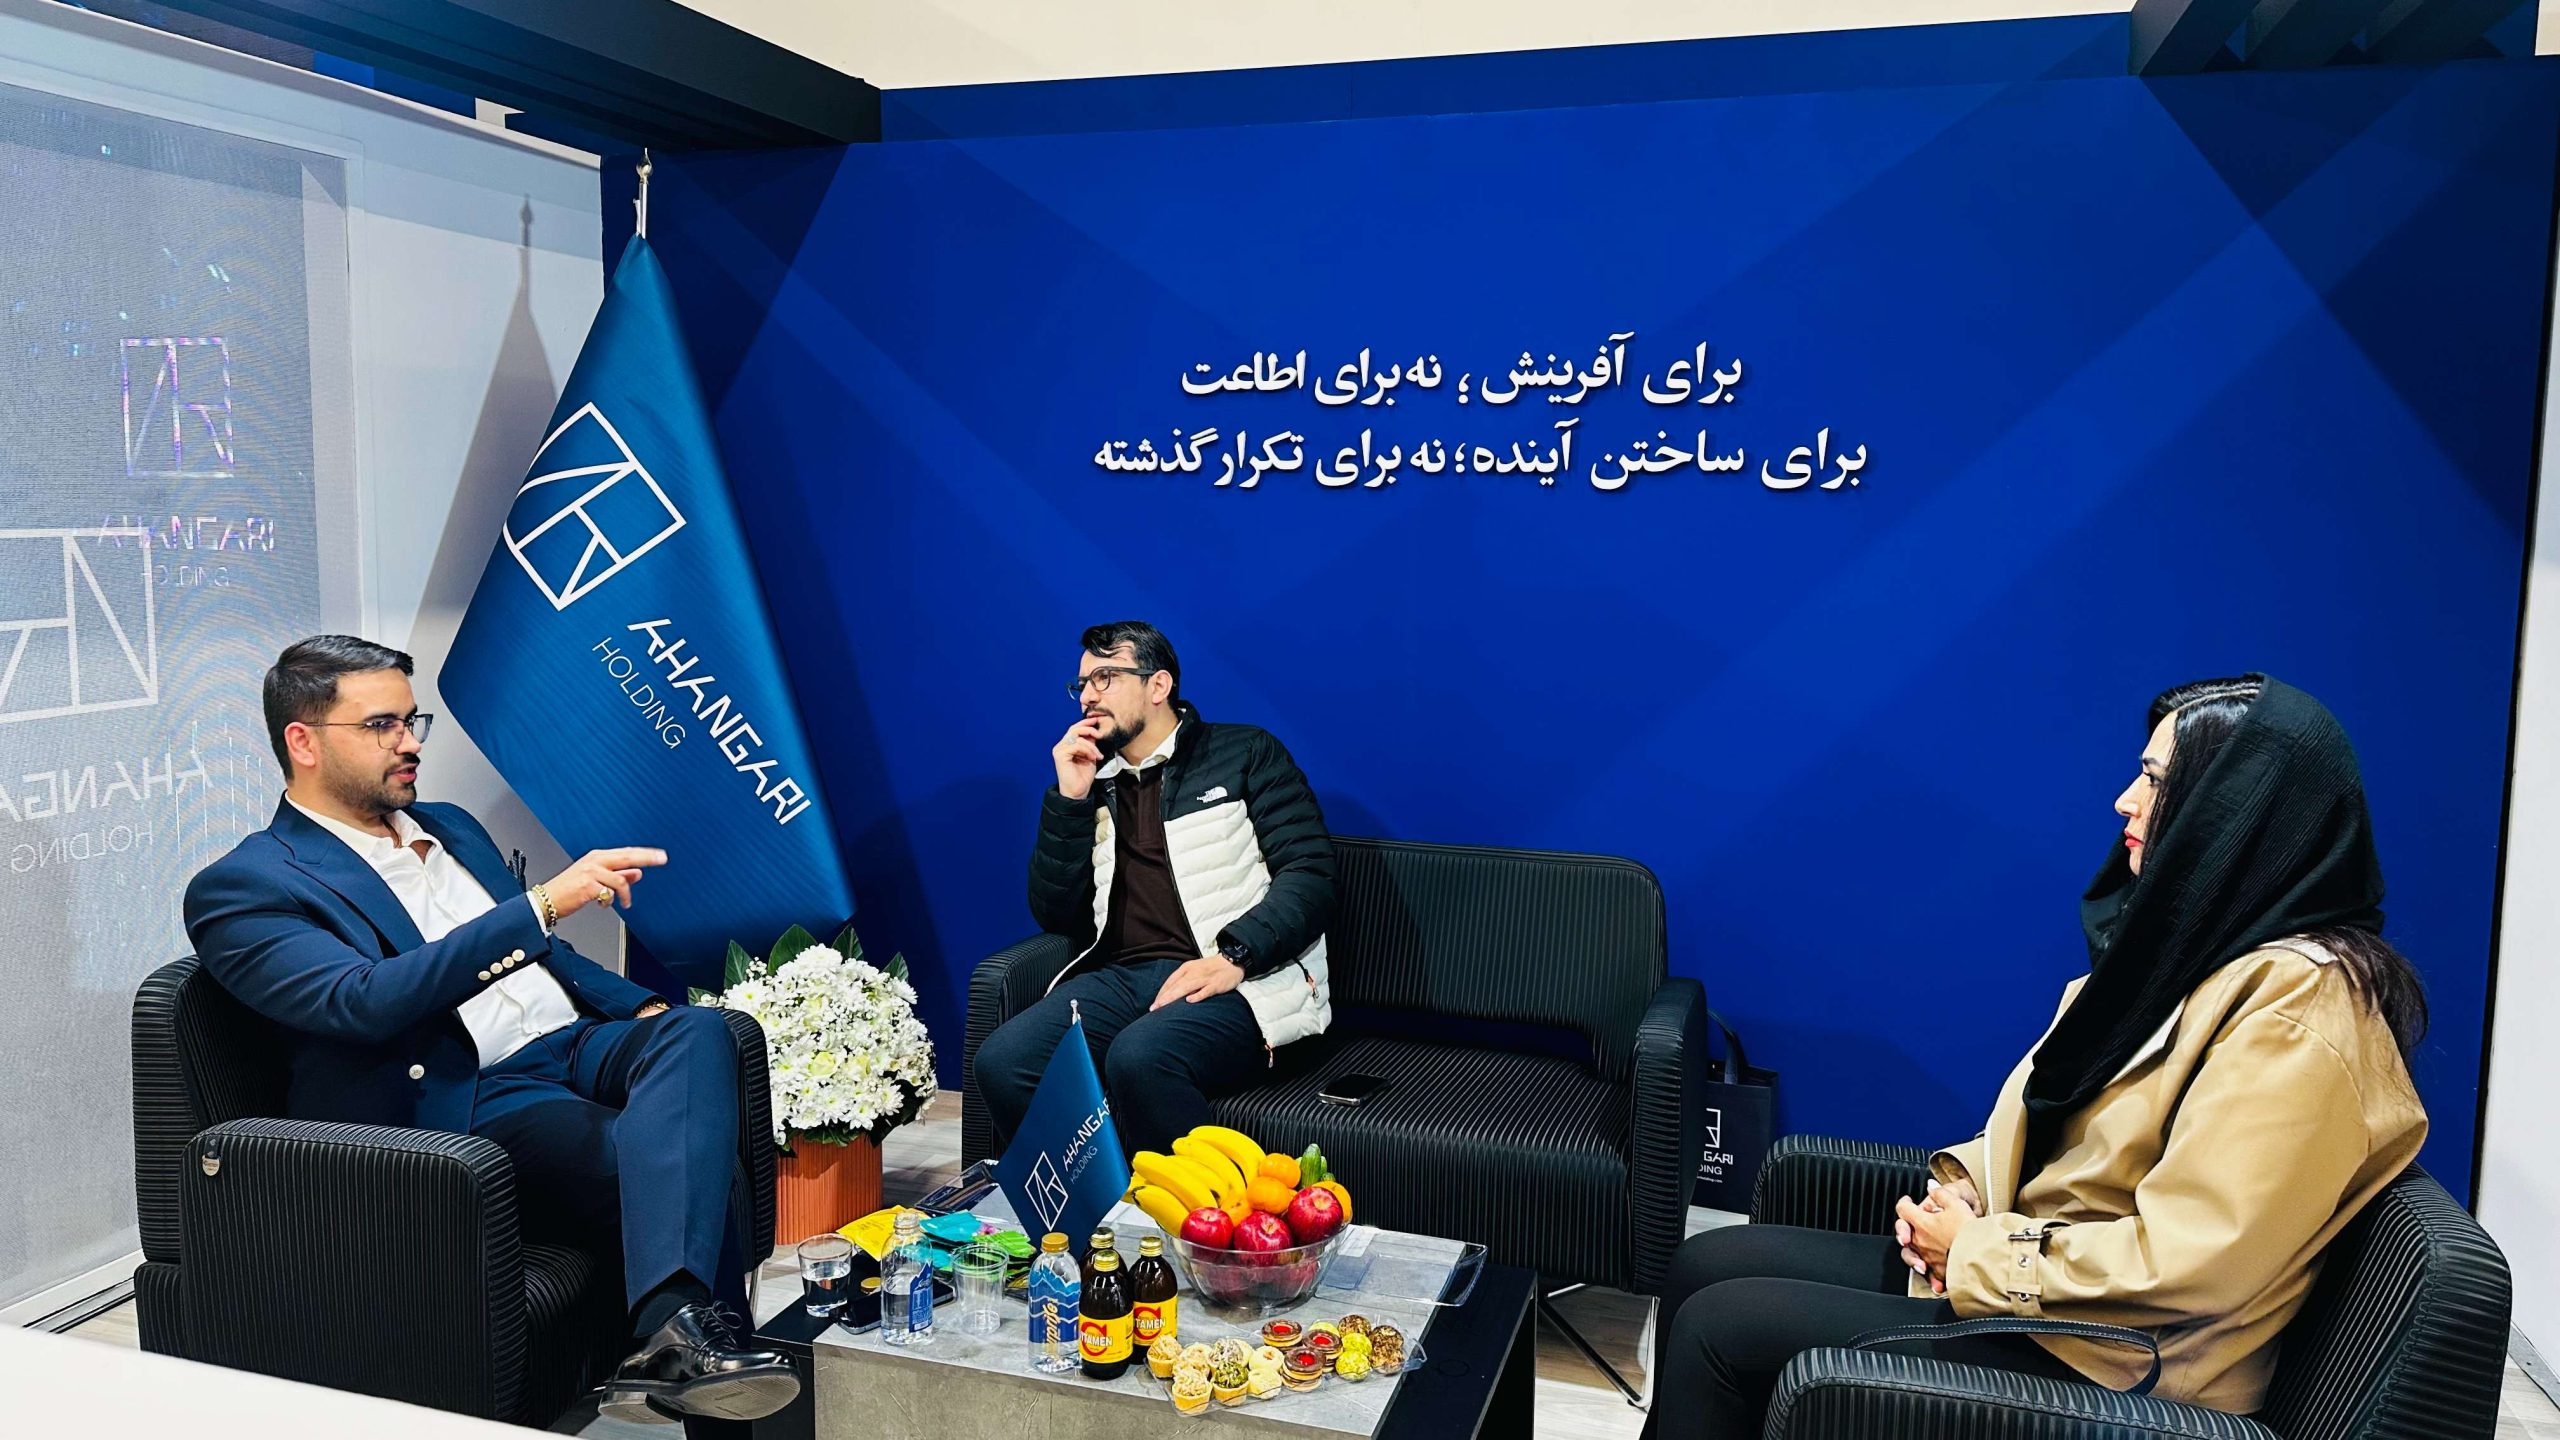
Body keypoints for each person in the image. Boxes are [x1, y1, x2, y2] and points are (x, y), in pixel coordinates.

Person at [1647, 676, 2428, 1435]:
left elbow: (2199, 1259)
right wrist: (1965, 1196)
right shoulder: (2203, 952)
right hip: (2053, 1298)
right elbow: (2070, 1140)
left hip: (2122, 1362)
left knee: (1723, 1328)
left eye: (2156, 781)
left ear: (2236, 810)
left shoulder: (2298, 1005)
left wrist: (1976, 1252)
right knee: (1706, 1265)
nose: (2125, 800)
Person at [182, 636, 797, 1426]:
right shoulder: (247, 885)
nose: (409, 743)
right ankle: (684, 1347)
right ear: (302, 742)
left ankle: (670, 1347)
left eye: (412, 721)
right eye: (380, 726)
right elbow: (361, 1001)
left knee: (697, 1034)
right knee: (671, 1166)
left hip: (574, 1042)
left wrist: (638, 1010)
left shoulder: (450, 827)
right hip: (471, 1093)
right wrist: (539, 906)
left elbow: (549, 956)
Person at [973, 621, 1335, 1157]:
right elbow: (1057, 915)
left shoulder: (1245, 753)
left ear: (1158, 685)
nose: (1088, 696)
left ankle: (1188, 1211)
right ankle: (1094, 1205)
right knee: (1004, 1061)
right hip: (1124, 978)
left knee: (1140, 1056)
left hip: (1240, 976)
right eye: (1082, 684)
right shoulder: (1092, 780)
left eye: (1106, 677)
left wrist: (1235, 956)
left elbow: (1310, 874)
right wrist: (1069, 802)